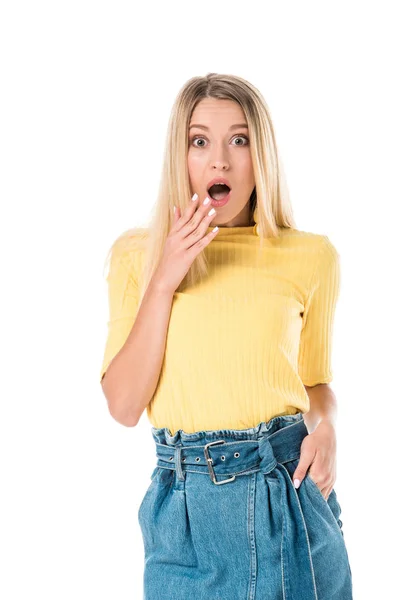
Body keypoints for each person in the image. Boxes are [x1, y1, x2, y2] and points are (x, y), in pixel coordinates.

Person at [99, 73, 353, 599]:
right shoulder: (136, 257)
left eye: (240, 140)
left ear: (262, 156)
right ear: (181, 154)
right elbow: (124, 405)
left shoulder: (310, 257)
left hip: (288, 498)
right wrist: (165, 275)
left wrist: (325, 429)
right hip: (182, 517)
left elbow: (315, 385)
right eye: (200, 141)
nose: (220, 160)